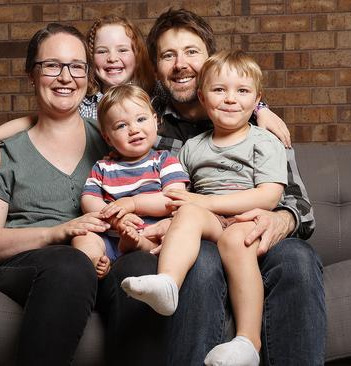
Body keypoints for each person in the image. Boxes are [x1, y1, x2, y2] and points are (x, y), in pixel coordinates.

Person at [109, 8, 325, 366]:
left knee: (298, 259)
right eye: (168, 55)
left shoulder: (259, 126)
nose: (180, 64)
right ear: (157, 69)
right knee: (203, 261)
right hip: (198, 239)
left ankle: (250, 343)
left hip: (255, 235)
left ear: (209, 59)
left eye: (192, 52)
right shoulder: (147, 126)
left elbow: (299, 206)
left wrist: (278, 221)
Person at [122, 50, 287, 366]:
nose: (230, 99)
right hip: (208, 221)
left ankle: (248, 341)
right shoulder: (192, 148)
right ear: (202, 96)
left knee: (233, 239)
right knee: (186, 213)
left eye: (242, 91)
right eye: (219, 90)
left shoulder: (264, 141)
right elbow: (178, 197)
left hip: (247, 219)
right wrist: (157, 219)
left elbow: (268, 196)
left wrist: (205, 202)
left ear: (257, 100)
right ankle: (168, 284)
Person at [0, 23, 109, 365]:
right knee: (70, 263)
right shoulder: (4, 153)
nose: (66, 77)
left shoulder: (111, 136)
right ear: (32, 74)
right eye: (52, 66)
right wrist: (53, 234)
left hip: (104, 260)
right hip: (32, 263)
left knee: (142, 270)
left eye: (76, 66)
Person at [0, 15, 154, 185]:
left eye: (122, 50)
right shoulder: (81, 102)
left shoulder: (152, 99)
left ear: (137, 56)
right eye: (102, 51)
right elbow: (39, 122)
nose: (112, 58)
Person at [73, 84, 188, 278]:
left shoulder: (164, 160)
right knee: (82, 236)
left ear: (155, 121)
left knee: (173, 232)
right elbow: (88, 200)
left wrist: (132, 203)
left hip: (150, 232)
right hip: (111, 236)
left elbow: (173, 199)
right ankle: (97, 261)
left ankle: (138, 244)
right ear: (107, 137)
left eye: (141, 119)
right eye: (121, 125)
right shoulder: (103, 166)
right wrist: (115, 218)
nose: (134, 129)